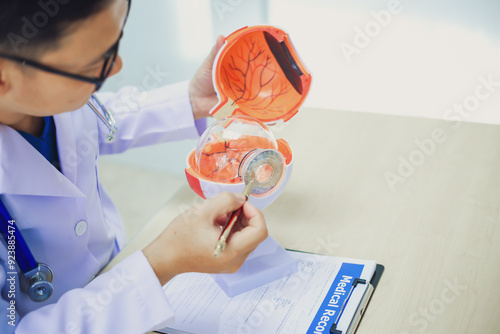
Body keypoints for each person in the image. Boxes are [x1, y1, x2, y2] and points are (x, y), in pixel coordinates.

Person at [0, 0, 268, 333]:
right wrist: (162, 261)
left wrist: (192, 100)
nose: (116, 67)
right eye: (94, 63)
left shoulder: (38, 98)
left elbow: (97, 119)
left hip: (114, 265)